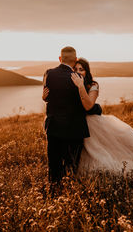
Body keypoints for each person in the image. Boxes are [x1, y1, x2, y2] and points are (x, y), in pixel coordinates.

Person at [43, 57, 133, 176]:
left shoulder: (92, 85)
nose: (78, 72)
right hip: (75, 122)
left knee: (97, 149)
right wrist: (45, 97)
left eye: (81, 69)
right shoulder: (70, 82)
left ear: (86, 72)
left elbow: (88, 105)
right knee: (81, 153)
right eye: (75, 69)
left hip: (91, 121)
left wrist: (81, 86)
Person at [43, 47, 90, 194]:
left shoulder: (48, 74)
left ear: (59, 59)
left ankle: (53, 194)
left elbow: (47, 96)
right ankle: (71, 195)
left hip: (54, 127)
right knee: (72, 165)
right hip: (74, 129)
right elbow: (85, 104)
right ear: (75, 60)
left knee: (54, 166)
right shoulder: (79, 79)